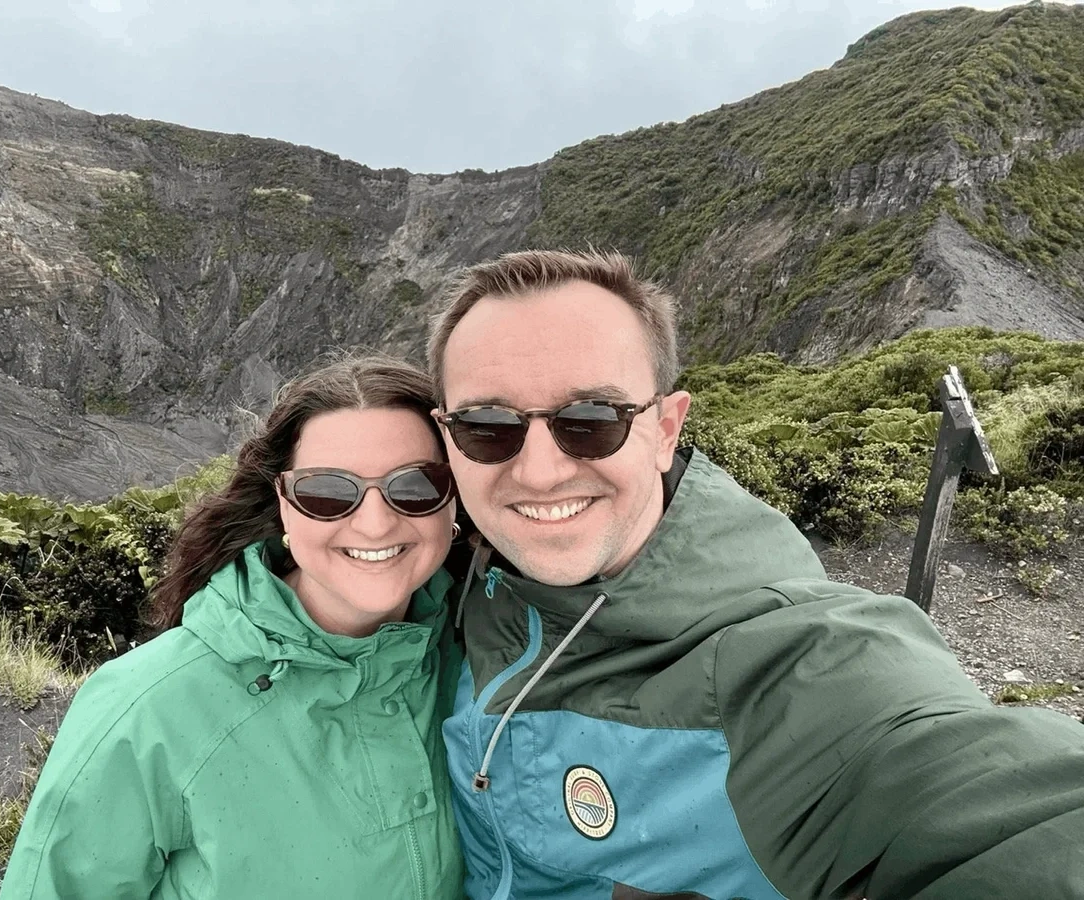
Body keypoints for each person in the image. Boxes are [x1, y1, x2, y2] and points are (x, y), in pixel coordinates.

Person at [426, 248, 1084, 900]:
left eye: (592, 421)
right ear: (448, 437)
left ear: (664, 429)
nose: (540, 471)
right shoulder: (443, 578)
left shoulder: (794, 663)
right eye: (487, 427)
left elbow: (1001, 809)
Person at [0, 354, 467, 899]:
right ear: (283, 505)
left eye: (414, 486)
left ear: (454, 497)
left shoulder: (481, 654)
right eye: (327, 494)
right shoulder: (150, 707)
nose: (375, 520)